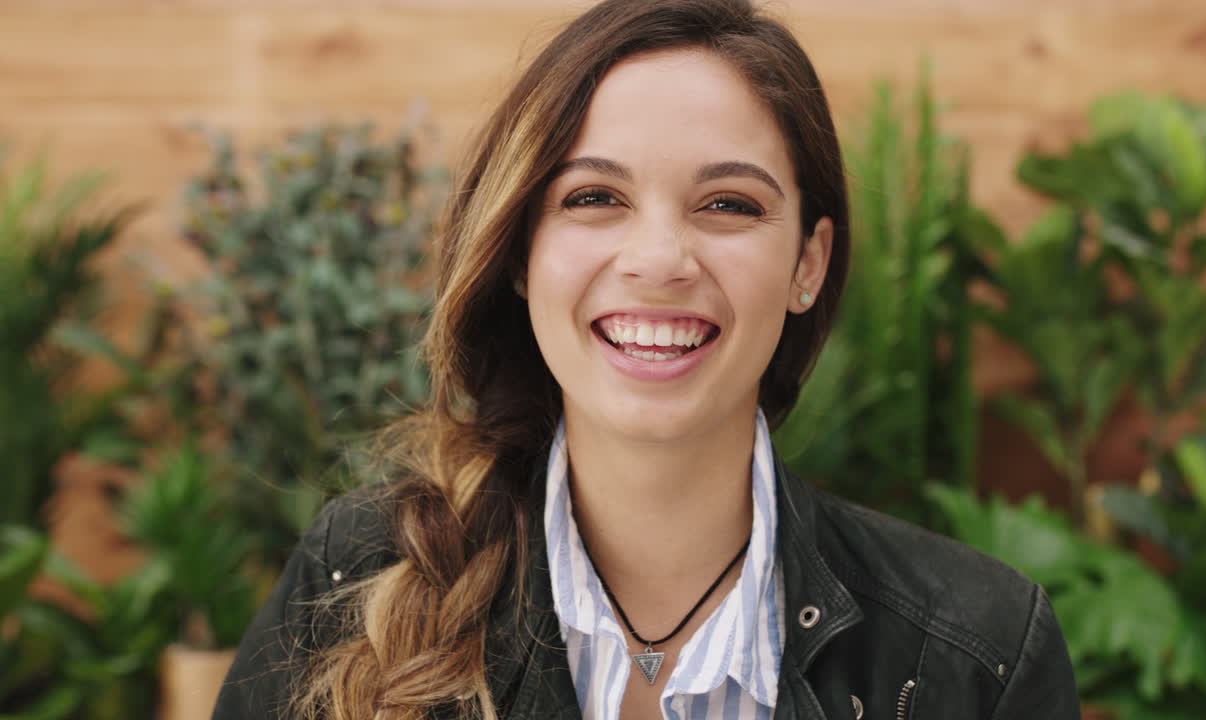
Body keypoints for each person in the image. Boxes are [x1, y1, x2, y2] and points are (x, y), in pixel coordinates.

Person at [212, 0, 1080, 718]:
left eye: (729, 204)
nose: (660, 259)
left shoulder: (979, 656)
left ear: (807, 265)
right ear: (520, 251)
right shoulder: (362, 574)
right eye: (595, 197)